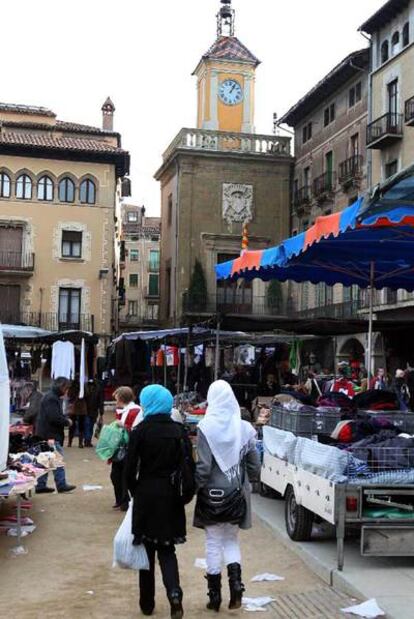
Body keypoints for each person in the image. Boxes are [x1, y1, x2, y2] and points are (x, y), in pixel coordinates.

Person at [194, 380, 261, 612]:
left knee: (213, 543)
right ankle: (236, 588)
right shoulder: (244, 428)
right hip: (236, 494)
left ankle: (214, 597)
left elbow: (203, 467)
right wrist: (250, 482)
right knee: (231, 540)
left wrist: (195, 487)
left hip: (212, 495)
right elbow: (254, 464)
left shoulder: (205, 427)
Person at [126, 385, 190, 619]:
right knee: (167, 549)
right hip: (171, 495)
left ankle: (147, 602)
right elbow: (188, 467)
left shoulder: (140, 431)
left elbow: (129, 469)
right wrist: (185, 495)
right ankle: (174, 593)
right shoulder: (179, 431)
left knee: (146, 550)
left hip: (146, 493)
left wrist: (135, 491)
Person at [35, 377, 76, 494]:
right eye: (66, 388)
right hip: (50, 434)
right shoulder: (52, 398)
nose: (67, 391)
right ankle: (61, 484)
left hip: (46, 433)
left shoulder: (51, 397)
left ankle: (41, 485)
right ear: (62, 387)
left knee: (46, 460)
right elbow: (54, 417)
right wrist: (67, 421)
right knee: (57, 459)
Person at [111, 386, 142, 511]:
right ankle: (121, 500)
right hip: (121, 447)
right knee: (116, 475)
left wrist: (123, 426)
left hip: (129, 448)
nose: (116, 401)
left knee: (124, 475)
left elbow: (136, 430)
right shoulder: (124, 410)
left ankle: (125, 501)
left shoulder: (135, 410)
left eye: (117, 399)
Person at [67, 379, 87, 448]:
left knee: (74, 426)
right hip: (77, 408)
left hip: (79, 408)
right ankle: (76, 443)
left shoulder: (81, 387)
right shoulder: (80, 386)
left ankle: (73, 442)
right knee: (75, 426)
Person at [84, 378, 104, 447]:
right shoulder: (84, 388)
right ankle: (87, 440)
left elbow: (100, 401)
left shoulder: (98, 389)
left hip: (92, 411)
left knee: (89, 425)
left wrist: (101, 412)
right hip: (87, 410)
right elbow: (101, 401)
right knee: (88, 425)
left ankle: (88, 440)